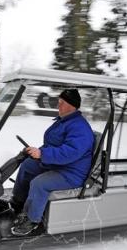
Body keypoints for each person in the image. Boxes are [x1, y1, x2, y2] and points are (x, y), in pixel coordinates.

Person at [10, 89, 94, 236]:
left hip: (71, 172)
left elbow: (69, 152)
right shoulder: (63, 121)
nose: (58, 106)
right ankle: (18, 201)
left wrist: (42, 154)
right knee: (27, 166)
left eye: (62, 103)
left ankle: (32, 219)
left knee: (40, 183)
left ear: (72, 106)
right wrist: (36, 153)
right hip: (57, 164)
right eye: (59, 102)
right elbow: (52, 145)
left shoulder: (80, 128)